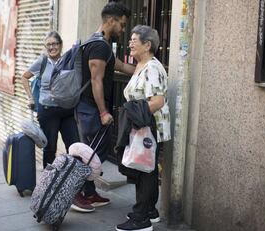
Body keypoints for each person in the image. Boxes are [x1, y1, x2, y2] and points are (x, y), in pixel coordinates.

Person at [72, 2, 135, 213]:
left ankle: (89, 193)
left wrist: (144, 68)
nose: (123, 30)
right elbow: (96, 80)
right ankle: (76, 194)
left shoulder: (103, 44)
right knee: (89, 155)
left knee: (94, 153)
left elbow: (120, 66)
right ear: (110, 21)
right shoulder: (99, 45)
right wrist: (103, 112)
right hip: (91, 109)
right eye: (122, 25)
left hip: (90, 108)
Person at [115, 25, 171, 231]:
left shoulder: (152, 68)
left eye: (134, 40)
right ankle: (149, 211)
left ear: (147, 45)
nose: (130, 43)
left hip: (148, 127)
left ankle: (140, 220)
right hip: (142, 126)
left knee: (144, 171)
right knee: (147, 168)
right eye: (130, 39)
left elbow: (157, 101)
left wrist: (134, 117)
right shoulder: (141, 65)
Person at [21, 31, 79, 168]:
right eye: (49, 45)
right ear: (45, 47)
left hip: (67, 110)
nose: (52, 47)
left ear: (60, 44)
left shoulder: (67, 60)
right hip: (47, 111)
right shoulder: (42, 61)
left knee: (74, 146)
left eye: (55, 44)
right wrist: (30, 98)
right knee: (50, 148)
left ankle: (74, 182)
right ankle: (48, 184)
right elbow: (24, 77)